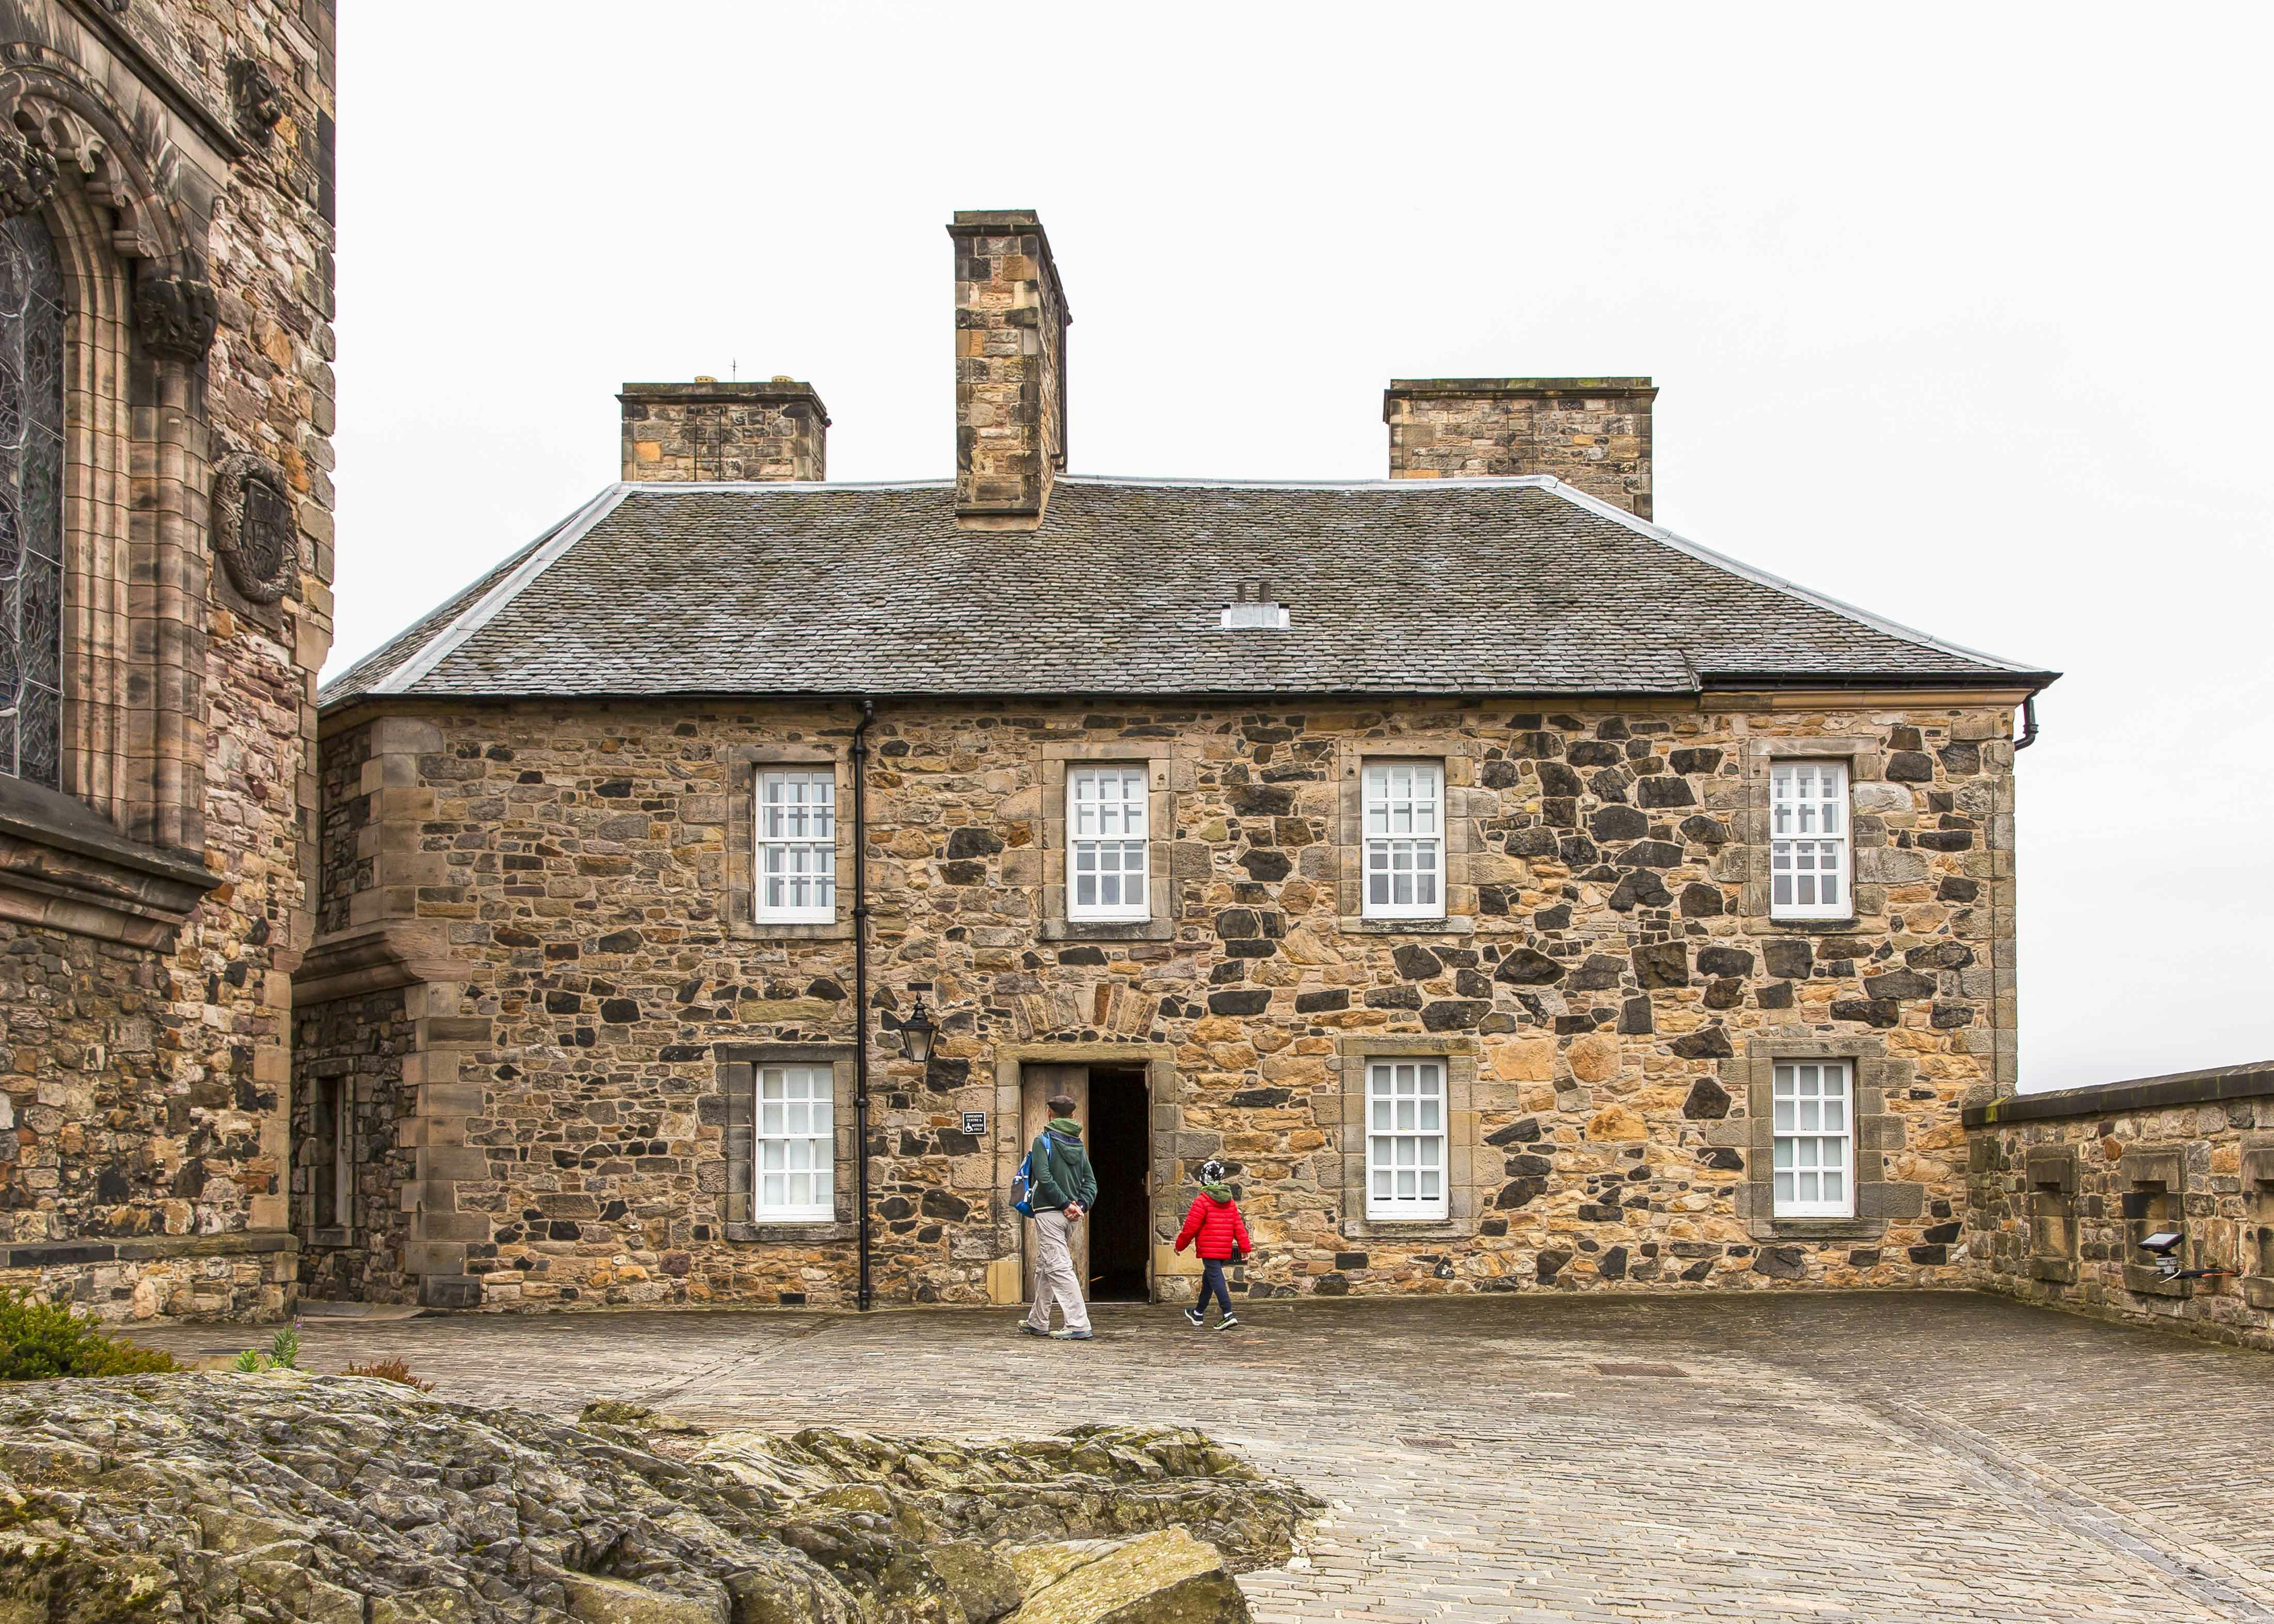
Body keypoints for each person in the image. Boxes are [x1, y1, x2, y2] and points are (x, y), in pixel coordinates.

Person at [1021, 1093, 1099, 1341]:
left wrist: (1065, 1204)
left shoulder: (1042, 1141)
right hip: (1070, 1216)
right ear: (1073, 1116)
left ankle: (1078, 1324)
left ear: (1049, 1114)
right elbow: (1091, 1183)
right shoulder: (1078, 1145)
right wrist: (1081, 1206)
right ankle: (1038, 1321)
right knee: (1046, 1266)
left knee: (1058, 1267)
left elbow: (1043, 1177)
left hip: (1049, 1212)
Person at [1173, 1158, 1252, 1331]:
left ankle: (1228, 1314)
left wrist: (1179, 1246)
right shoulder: (1229, 1202)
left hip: (1209, 1250)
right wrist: (1245, 1248)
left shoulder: (1202, 1201)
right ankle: (1198, 1313)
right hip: (1223, 1249)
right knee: (1209, 1278)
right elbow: (1238, 1226)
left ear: (1203, 1178)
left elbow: (1190, 1228)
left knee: (1216, 1280)